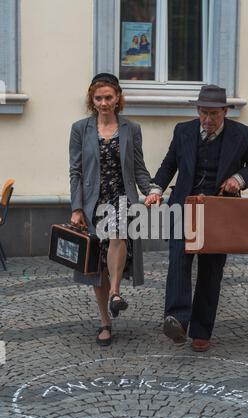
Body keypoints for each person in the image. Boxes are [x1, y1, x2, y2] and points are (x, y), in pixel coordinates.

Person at [145, 84, 248, 352]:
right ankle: (177, 319)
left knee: (211, 271)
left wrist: (238, 178)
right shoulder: (183, 131)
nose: (208, 120)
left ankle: (201, 330)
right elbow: (168, 166)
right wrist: (155, 190)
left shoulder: (242, 134)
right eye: (203, 113)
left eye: (213, 114)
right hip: (184, 206)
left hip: (219, 210)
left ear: (225, 111)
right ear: (197, 110)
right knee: (179, 261)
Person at [69, 73, 160, 346]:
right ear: (91, 100)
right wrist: (76, 208)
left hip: (122, 198)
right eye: (98, 98)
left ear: (118, 98)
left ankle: (116, 293)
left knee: (118, 233)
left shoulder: (131, 129)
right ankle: (105, 323)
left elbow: (139, 169)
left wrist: (152, 190)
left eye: (109, 97)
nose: (104, 102)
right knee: (97, 268)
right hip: (92, 202)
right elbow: (75, 171)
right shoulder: (79, 129)